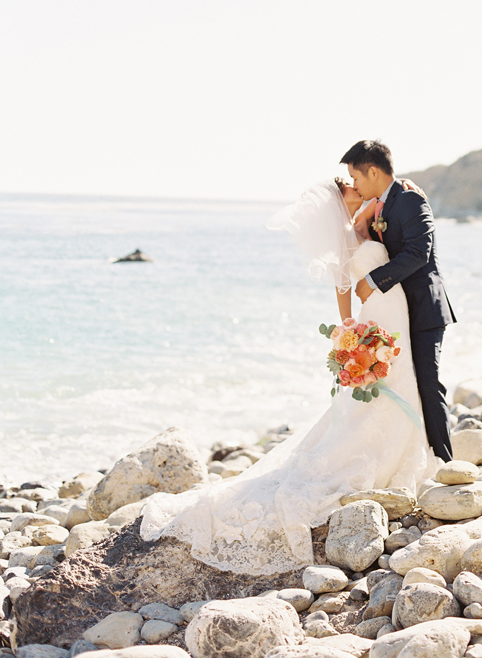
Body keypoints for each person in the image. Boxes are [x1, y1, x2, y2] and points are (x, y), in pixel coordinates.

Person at [139, 177, 438, 575]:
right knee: (385, 386)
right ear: (339, 199)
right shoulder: (347, 234)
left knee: (397, 382)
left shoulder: (364, 218)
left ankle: (404, 456)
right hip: (379, 315)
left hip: (391, 310)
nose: (354, 184)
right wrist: (349, 329)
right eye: (347, 184)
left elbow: (390, 213)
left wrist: (407, 192)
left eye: (353, 179)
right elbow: (342, 286)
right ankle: (379, 459)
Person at [340, 140, 456, 463]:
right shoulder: (382, 205)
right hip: (399, 314)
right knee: (409, 386)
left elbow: (419, 253)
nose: (355, 185)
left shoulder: (409, 199)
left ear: (373, 171)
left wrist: (373, 281)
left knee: (429, 384)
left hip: (425, 307)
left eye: (357, 178)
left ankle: (445, 462)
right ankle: (420, 457)